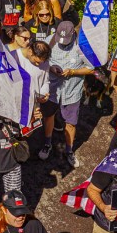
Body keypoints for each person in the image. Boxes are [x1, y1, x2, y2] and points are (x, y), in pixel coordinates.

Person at [43, 21, 92, 167]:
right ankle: (47, 143)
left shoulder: (82, 45)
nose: (62, 44)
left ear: (73, 34)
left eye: (66, 41)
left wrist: (73, 72)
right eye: (60, 39)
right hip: (52, 90)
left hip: (72, 91)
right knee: (48, 116)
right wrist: (51, 68)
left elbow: (91, 68)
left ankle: (69, 150)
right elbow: (42, 60)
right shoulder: (49, 40)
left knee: (70, 123)